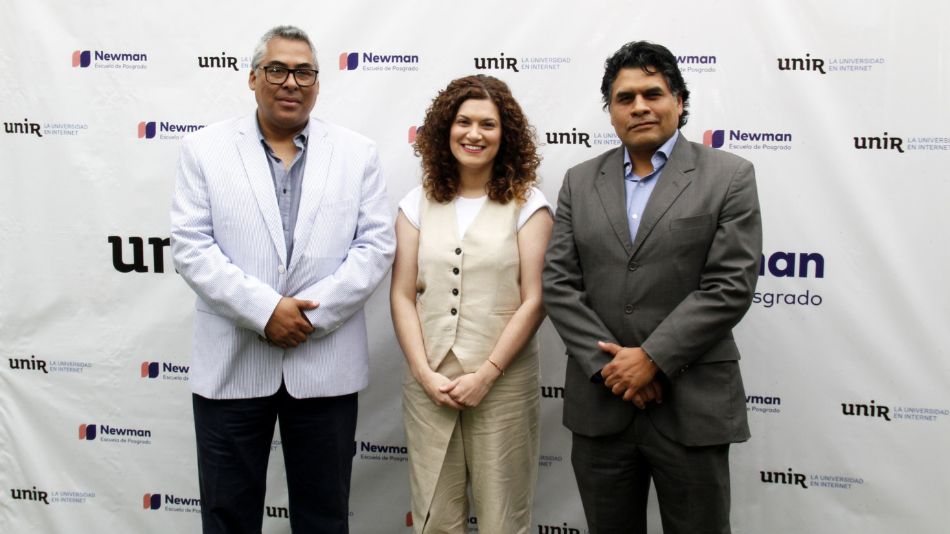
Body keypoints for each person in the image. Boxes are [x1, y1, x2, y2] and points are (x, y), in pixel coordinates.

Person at [170, 25, 395, 534]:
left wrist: (308, 317)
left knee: (323, 517)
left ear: (317, 83)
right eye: (277, 69)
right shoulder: (204, 150)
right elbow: (191, 246)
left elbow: (375, 246)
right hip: (232, 364)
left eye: (304, 71)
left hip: (325, 366)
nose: (290, 82)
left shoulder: (357, 153)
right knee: (228, 516)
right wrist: (266, 311)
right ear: (253, 78)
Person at [542, 41, 762, 534]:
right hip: (603, 407)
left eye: (653, 93)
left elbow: (730, 285)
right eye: (625, 98)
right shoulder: (579, 182)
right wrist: (612, 369)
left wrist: (652, 358)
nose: (639, 106)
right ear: (612, 111)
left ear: (679, 101)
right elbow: (558, 282)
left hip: (691, 404)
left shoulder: (729, 177)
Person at [390, 74, 553, 534]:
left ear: (506, 136)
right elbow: (401, 295)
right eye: (464, 122)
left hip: (503, 385)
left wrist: (487, 374)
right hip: (430, 386)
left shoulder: (529, 205)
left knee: (504, 517)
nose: (474, 134)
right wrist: (424, 372)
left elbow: (535, 300)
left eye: (488, 124)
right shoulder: (415, 204)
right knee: (434, 518)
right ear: (447, 130)